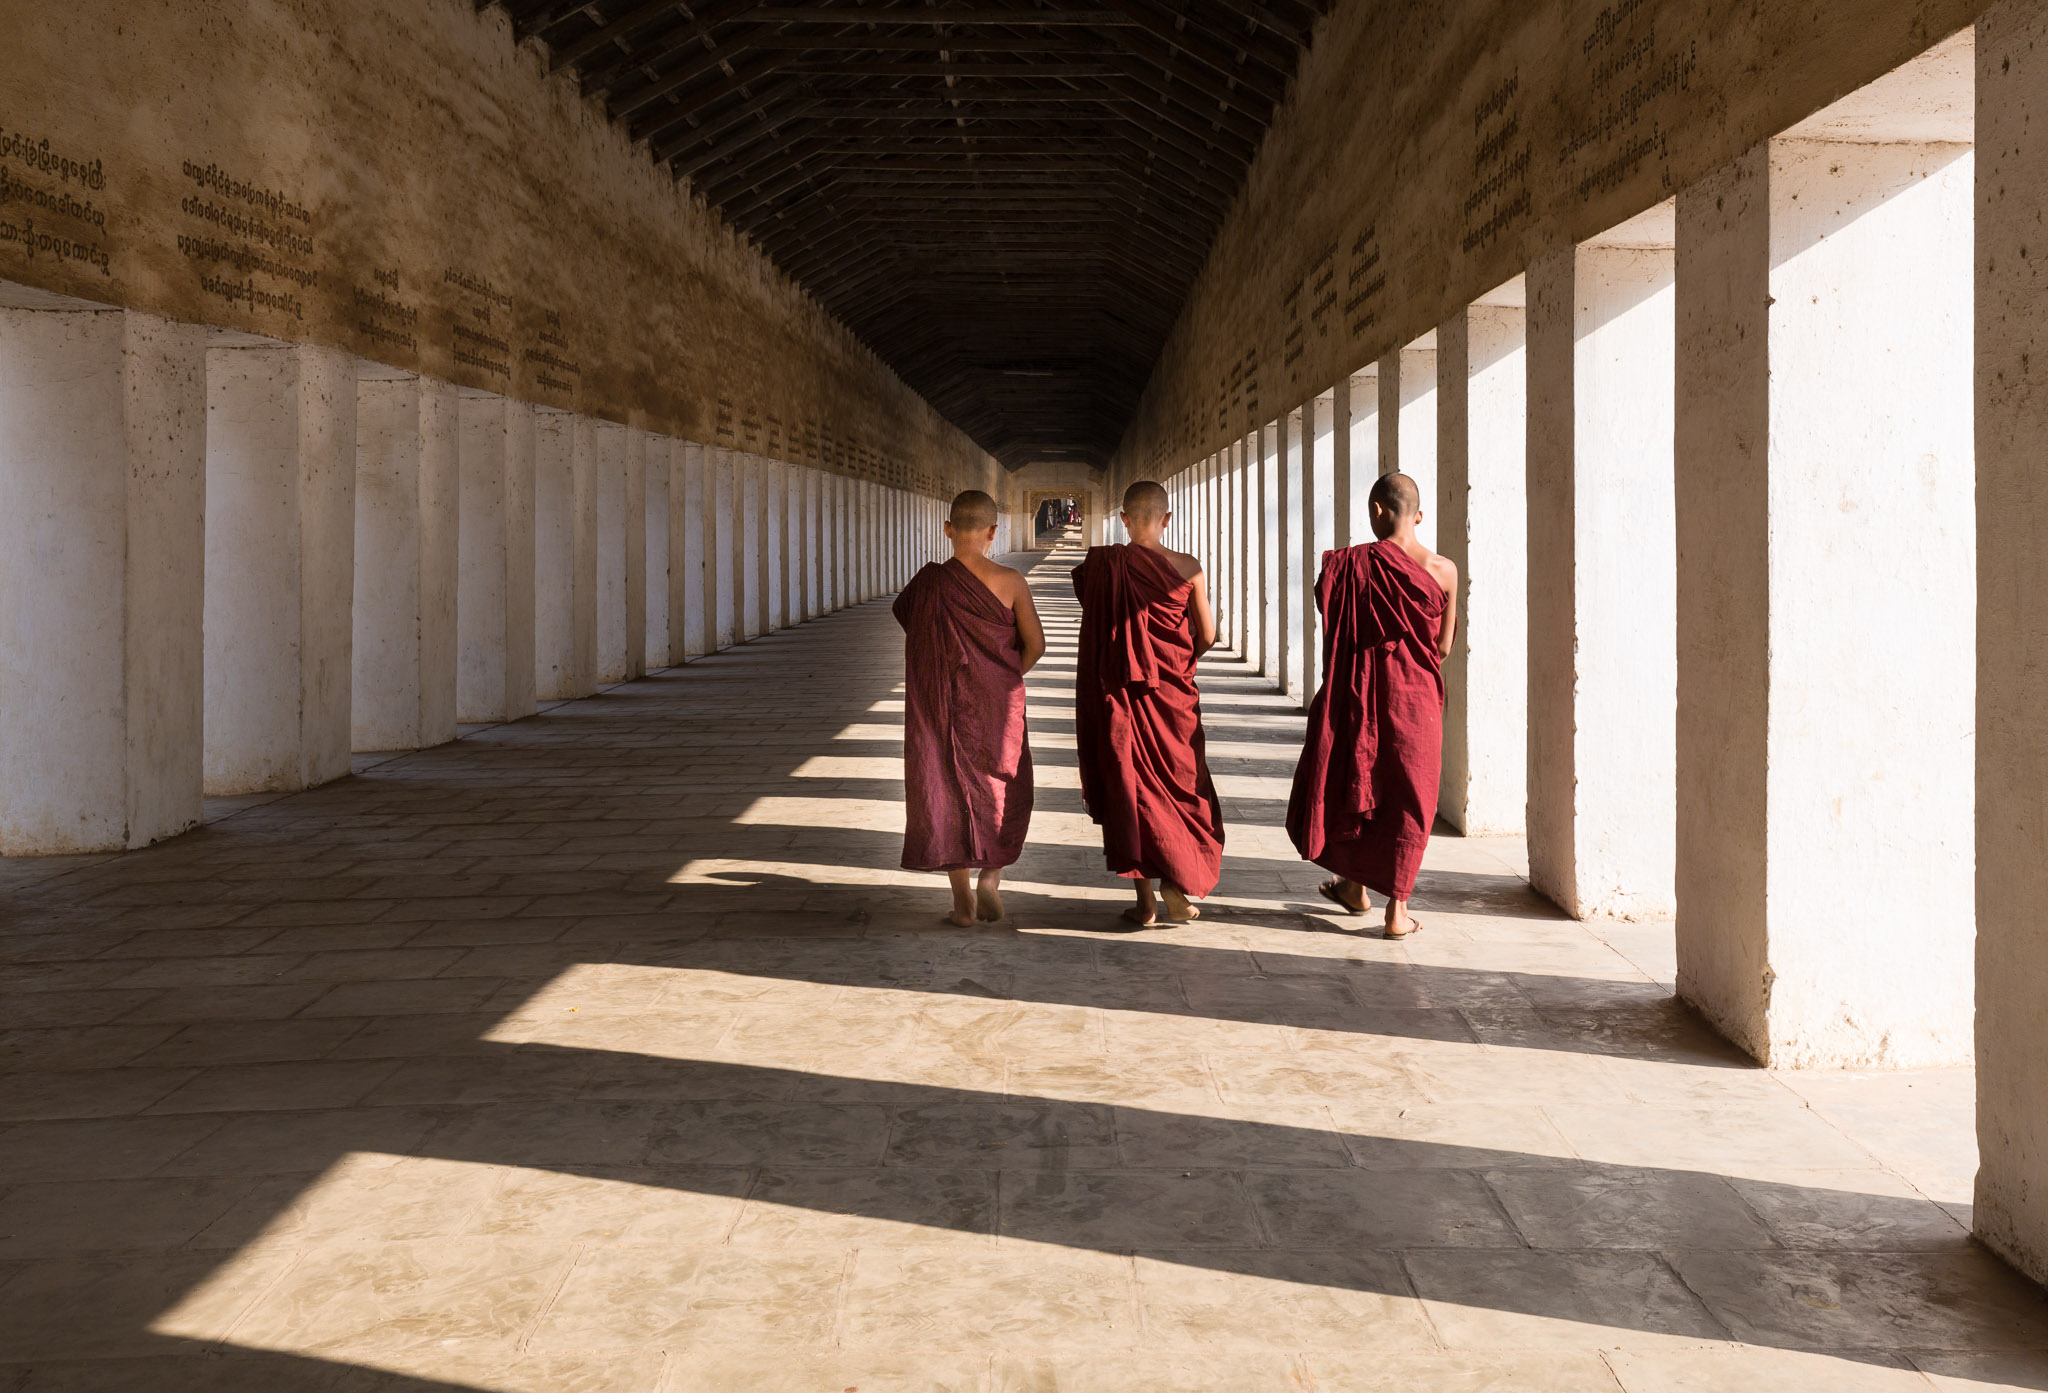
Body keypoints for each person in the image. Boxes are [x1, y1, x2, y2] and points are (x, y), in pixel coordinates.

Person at [1286, 472, 1457, 938]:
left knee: (1362, 780)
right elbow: (1442, 646)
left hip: (1360, 694)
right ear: (1419, 516)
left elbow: (1336, 615)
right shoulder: (1444, 570)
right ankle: (1390, 909)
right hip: (1415, 700)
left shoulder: (1350, 565)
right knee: (1408, 794)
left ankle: (1357, 887)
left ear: (1378, 511)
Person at [1071, 480, 1225, 927]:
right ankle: (1175, 883)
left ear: (1123, 519)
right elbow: (1208, 635)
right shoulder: (1188, 567)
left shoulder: (1102, 566)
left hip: (1120, 696)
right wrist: (1176, 664)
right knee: (1179, 783)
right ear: (1167, 519)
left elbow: (1103, 626)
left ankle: (1146, 904)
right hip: (1171, 696)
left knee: (1130, 788)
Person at [893, 489, 1046, 926]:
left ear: (947, 530)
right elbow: (1036, 644)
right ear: (993, 533)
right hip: (999, 702)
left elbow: (912, 623)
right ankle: (990, 879)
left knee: (944, 787)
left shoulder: (929, 583)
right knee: (1006, 788)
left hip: (940, 702)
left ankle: (962, 901)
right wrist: (1003, 676)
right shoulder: (1011, 581)